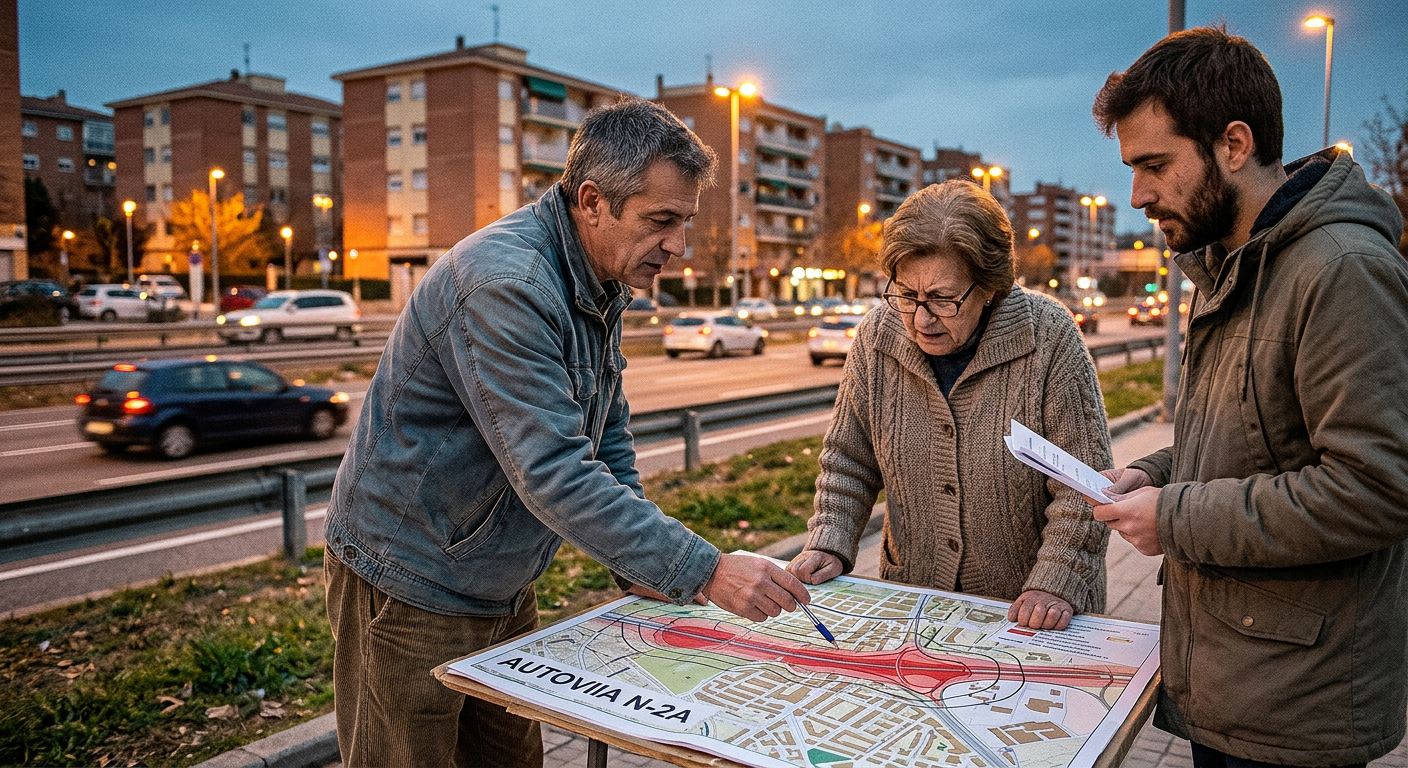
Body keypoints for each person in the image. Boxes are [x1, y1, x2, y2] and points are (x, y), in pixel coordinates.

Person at [323, 98, 811, 768]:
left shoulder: (598, 276)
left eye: (685, 222)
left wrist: (639, 568)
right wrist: (706, 570)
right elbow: (552, 471)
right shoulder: (506, 283)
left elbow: (606, 440)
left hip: (497, 580)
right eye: (661, 221)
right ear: (592, 202)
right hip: (408, 581)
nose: (678, 245)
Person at [1090, 27, 1408, 768]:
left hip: (1297, 707)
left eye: (1154, 165)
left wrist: (1175, 517)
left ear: (1234, 144)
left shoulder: (1340, 271)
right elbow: (1249, 437)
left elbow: (1379, 488)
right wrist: (1159, 474)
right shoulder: (1235, 269)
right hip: (1240, 683)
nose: (1137, 195)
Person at [787, 180, 1111, 631]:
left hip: (1036, 617)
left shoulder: (1050, 336)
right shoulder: (877, 337)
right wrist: (830, 541)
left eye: (942, 299)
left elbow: (1084, 485)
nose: (921, 318)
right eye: (905, 294)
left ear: (989, 287)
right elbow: (849, 461)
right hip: (917, 606)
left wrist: (1056, 581)